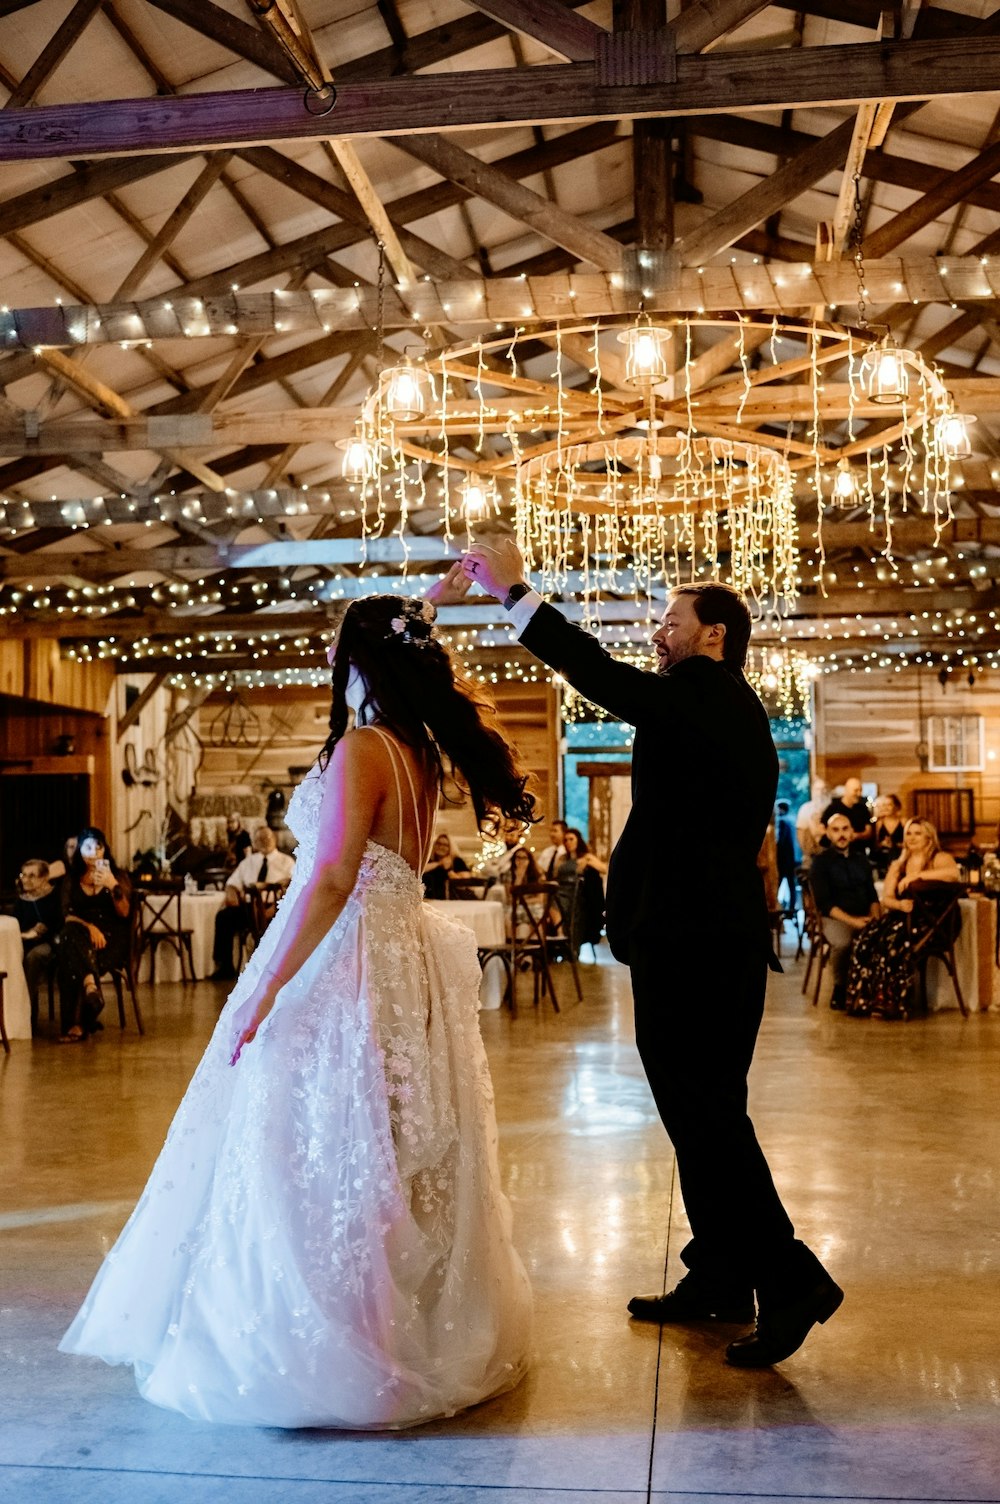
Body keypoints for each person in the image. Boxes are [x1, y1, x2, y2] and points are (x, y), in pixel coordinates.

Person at [61, 577, 534, 1429]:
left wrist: (271, 983)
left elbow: (332, 876)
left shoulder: (364, 750)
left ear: (359, 662)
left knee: (314, 1142)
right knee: (382, 1143)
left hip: (346, 961)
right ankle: (394, 1331)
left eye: (335, 645)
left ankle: (343, 1347)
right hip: (400, 957)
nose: (324, 656)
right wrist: (421, 603)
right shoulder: (418, 752)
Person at [462, 538, 842, 1369]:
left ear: (714, 636)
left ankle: (790, 1279)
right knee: (700, 1114)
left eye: (672, 622)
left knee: (706, 1116)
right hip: (704, 940)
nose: (657, 634)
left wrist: (516, 594)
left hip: (695, 943)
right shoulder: (712, 706)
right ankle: (722, 1274)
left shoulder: (705, 692)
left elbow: (599, 675)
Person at [846, 817, 961, 1021]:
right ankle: (863, 1000)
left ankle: (891, 1002)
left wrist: (916, 877)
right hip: (903, 915)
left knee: (892, 941)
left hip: (934, 921)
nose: (912, 838)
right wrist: (900, 905)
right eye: (909, 833)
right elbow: (887, 899)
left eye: (918, 833)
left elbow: (954, 874)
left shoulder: (939, 858)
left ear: (928, 837)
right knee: (865, 939)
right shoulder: (898, 864)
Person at [55, 829, 132, 1043]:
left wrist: (112, 885)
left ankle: (78, 1021)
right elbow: (66, 916)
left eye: (99, 847)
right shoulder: (72, 879)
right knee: (71, 936)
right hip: (81, 935)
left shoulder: (116, 875)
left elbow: (125, 913)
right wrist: (90, 927)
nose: (94, 852)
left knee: (69, 953)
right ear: (80, 850)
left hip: (110, 939)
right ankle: (90, 988)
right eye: (88, 847)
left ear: (105, 849)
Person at [807, 812, 881, 1011]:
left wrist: (875, 916)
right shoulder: (821, 862)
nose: (841, 834)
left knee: (885, 938)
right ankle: (840, 988)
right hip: (835, 917)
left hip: (864, 914)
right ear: (828, 834)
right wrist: (853, 922)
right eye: (836, 830)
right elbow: (824, 904)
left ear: (852, 832)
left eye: (845, 829)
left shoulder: (861, 860)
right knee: (843, 943)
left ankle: (873, 991)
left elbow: (872, 895)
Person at [210, 827, 295, 981]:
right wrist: (232, 894)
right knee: (224, 917)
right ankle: (225, 966)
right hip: (249, 909)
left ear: (274, 839)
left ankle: (272, 968)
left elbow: (294, 887)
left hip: (276, 908)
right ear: (254, 843)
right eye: (260, 839)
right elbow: (232, 884)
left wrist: (276, 907)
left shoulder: (287, 862)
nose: (264, 841)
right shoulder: (248, 862)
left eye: (267, 838)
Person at [14, 859, 63, 1032]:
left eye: (32, 876)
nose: (25, 880)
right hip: (27, 942)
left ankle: (25, 1015)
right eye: (23, 875)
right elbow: (17, 925)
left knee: (34, 957)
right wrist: (28, 932)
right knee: (13, 957)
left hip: (51, 944)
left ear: (44, 878)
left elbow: (60, 924)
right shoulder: (22, 899)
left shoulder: (55, 896)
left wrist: (44, 930)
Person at [553, 828, 606, 954]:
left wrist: (588, 862)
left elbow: (604, 869)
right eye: (566, 840)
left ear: (578, 840)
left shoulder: (586, 857)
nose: (568, 842)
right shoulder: (562, 858)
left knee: (557, 901)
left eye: (571, 839)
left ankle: (561, 937)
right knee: (552, 899)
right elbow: (555, 875)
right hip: (560, 889)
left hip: (575, 892)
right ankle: (559, 935)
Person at [821, 776, 873, 852]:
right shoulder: (833, 808)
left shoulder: (863, 809)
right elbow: (822, 828)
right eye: (856, 790)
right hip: (836, 853)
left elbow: (869, 831)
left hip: (858, 853)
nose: (859, 794)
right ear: (846, 790)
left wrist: (856, 836)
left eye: (860, 790)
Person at [421, 831, 471, 900]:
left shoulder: (457, 861)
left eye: (445, 845)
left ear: (450, 847)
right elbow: (420, 871)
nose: (441, 847)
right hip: (429, 899)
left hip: (452, 900)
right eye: (438, 843)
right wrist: (439, 863)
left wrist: (448, 870)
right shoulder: (428, 860)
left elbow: (465, 881)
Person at [871, 793, 905, 878]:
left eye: (889, 804)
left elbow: (909, 843)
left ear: (896, 806)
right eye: (884, 805)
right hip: (883, 860)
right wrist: (882, 844)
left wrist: (896, 845)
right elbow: (875, 845)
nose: (885, 807)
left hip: (900, 859)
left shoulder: (903, 822)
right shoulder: (879, 823)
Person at [794, 780, 827, 863]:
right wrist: (807, 853)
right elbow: (800, 834)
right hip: (810, 856)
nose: (820, 792)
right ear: (812, 790)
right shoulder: (805, 809)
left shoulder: (830, 808)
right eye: (817, 789)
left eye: (823, 789)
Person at [775, 800, 799, 913]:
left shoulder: (782, 821)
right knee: (791, 884)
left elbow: (781, 841)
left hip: (783, 859)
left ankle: (776, 906)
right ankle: (792, 907)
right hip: (793, 858)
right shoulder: (793, 820)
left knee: (778, 883)